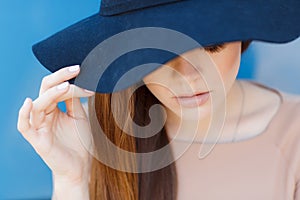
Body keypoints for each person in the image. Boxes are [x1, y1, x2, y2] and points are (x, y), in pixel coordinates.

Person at [17, 0, 300, 199]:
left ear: (243, 34)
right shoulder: (98, 140)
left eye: (209, 45)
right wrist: (73, 180)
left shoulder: (294, 135)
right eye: (156, 54)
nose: (187, 76)